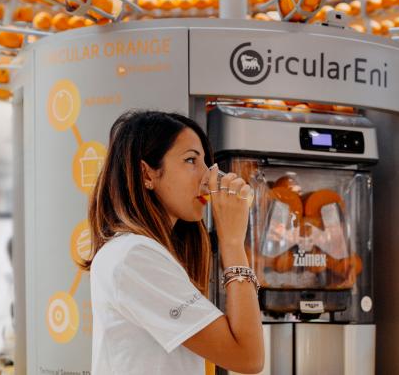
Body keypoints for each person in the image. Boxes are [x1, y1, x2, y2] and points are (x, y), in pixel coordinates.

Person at [81, 110, 264, 375]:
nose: (207, 177)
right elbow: (248, 358)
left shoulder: (143, 253)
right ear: (147, 174)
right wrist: (233, 243)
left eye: (206, 163)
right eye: (191, 160)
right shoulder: (134, 256)